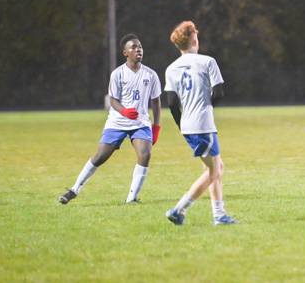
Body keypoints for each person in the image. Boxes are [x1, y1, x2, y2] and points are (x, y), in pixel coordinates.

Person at [59, 34, 161, 205]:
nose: (138, 50)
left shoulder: (150, 75)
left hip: (140, 123)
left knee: (145, 154)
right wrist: (124, 111)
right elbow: (113, 100)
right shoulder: (118, 74)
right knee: (100, 156)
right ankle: (74, 189)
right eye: (134, 47)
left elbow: (156, 101)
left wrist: (156, 126)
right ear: (125, 53)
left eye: (140, 47)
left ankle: (132, 198)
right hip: (117, 122)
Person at [163, 21, 237, 226]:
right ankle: (179, 209)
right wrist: (207, 108)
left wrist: (182, 125)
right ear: (195, 40)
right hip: (204, 125)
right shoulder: (207, 62)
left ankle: (219, 215)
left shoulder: (171, 69)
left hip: (188, 126)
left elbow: (171, 102)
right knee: (214, 171)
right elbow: (219, 92)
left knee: (217, 166)